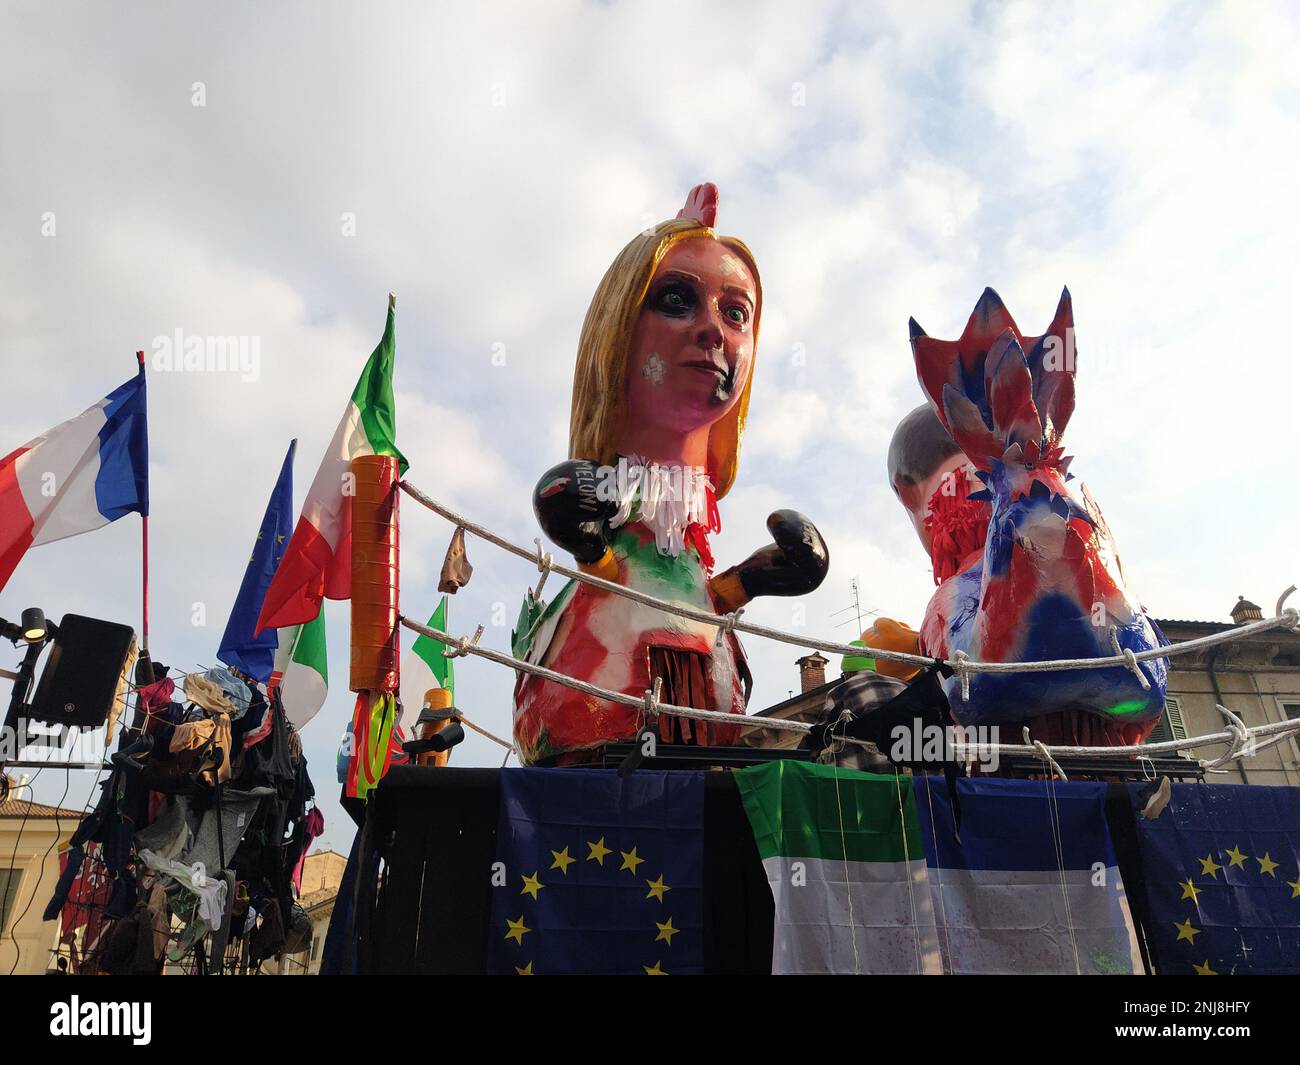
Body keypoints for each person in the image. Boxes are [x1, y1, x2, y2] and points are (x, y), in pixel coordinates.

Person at [512, 184, 829, 765]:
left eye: (736, 313)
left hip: (704, 731)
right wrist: (586, 546)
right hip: (598, 734)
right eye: (678, 299)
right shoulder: (607, 520)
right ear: (617, 327)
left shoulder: (690, 540)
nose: (713, 330)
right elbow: (616, 579)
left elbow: (693, 595)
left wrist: (754, 580)